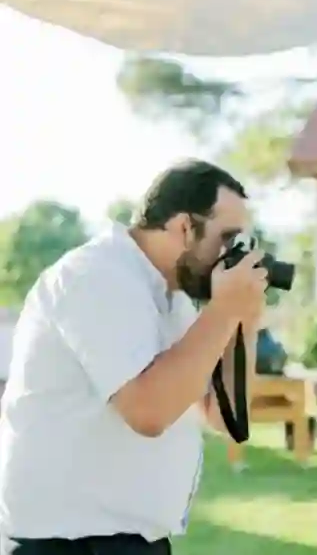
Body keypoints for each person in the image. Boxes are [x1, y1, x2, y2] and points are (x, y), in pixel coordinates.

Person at [0, 160, 268, 555]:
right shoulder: (96, 276)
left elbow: (224, 416)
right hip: (70, 544)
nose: (235, 255)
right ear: (183, 228)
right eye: (227, 239)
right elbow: (148, 410)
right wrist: (224, 310)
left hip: (126, 542)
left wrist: (244, 320)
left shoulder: (173, 299)